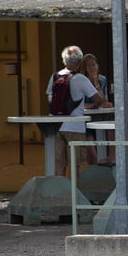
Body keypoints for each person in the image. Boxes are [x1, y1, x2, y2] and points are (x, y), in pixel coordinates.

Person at [46, 45, 106, 177]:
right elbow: (99, 99)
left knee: (59, 166)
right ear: (80, 63)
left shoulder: (54, 77)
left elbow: (50, 101)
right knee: (75, 166)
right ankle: (75, 195)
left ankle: (61, 195)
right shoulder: (80, 78)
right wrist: (93, 105)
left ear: (64, 61)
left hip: (56, 126)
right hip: (75, 126)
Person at [80, 53, 114, 165]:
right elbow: (81, 103)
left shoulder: (102, 79)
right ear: (85, 69)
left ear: (98, 66)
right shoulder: (81, 81)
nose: (92, 68)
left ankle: (111, 156)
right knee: (86, 128)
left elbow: (104, 101)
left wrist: (96, 83)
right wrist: (93, 104)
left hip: (99, 113)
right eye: (89, 66)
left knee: (111, 119)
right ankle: (94, 160)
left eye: (94, 65)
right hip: (86, 116)